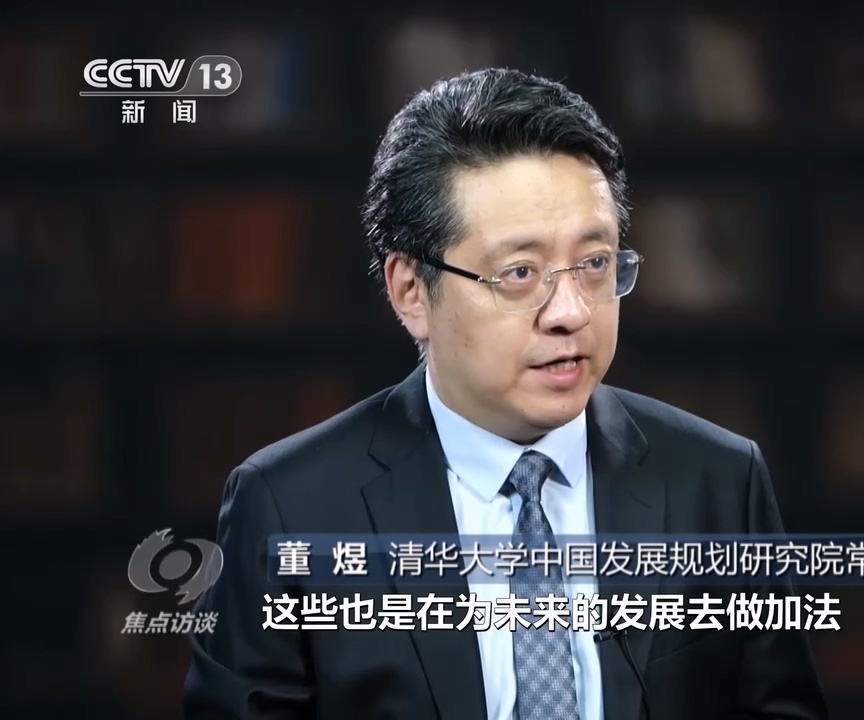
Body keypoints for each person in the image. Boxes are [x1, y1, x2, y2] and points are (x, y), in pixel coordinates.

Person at [184, 67, 827, 720]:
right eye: (520, 273)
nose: (570, 312)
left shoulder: (719, 481)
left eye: (595, 263)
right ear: (411, 291)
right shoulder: (291, 506)